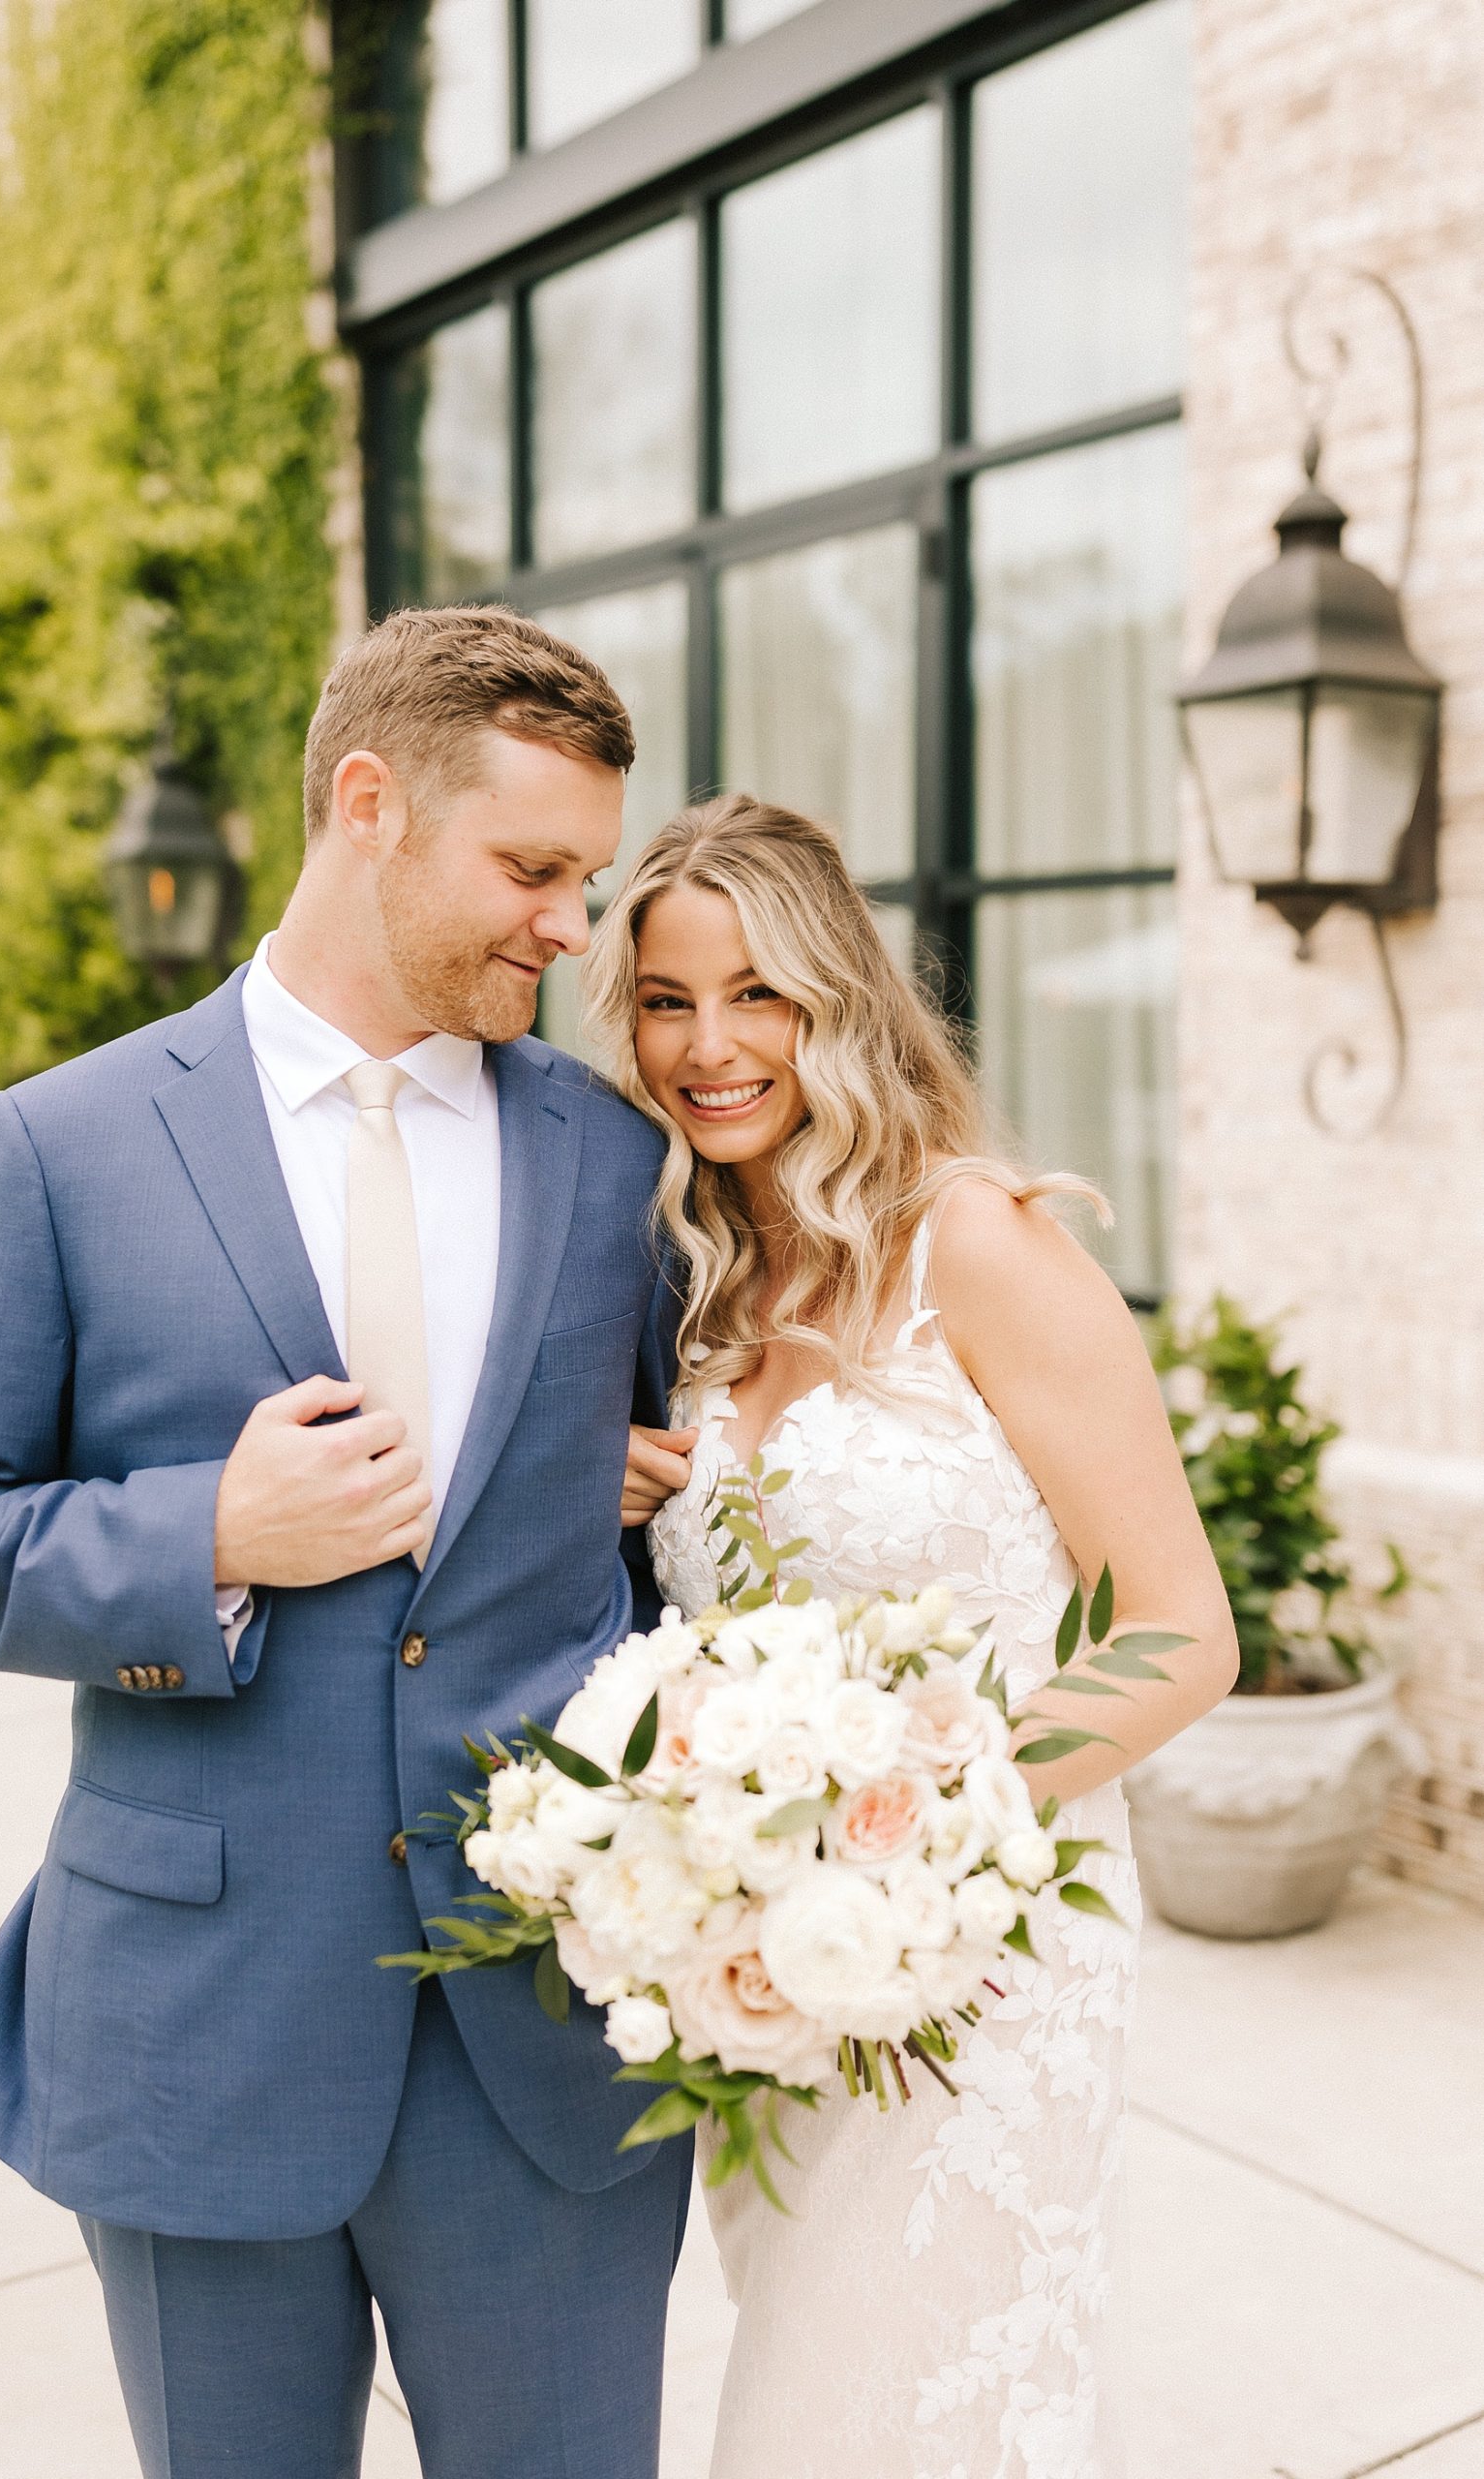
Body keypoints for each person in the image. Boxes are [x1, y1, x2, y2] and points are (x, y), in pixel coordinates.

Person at [0, 605, 697, 2479]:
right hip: (195, 2032)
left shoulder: (617, 1159)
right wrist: (205, 1535)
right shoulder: (67, 1143)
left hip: (549, 2037)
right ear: (370, 804)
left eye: (589, 879)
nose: (574, 927)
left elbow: (642, 1542)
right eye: (534, 869)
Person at [593, 793, 1239, 2479]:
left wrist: (911, 1844)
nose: (711, 1046)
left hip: (988, 1958)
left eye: (760, 994)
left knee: (898, 2416)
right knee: (819, 2395)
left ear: (843, 1002)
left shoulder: (980, 1243)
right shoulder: (696, 1284)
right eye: (667, 999)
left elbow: (1181, 1633)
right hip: (775, 1984)